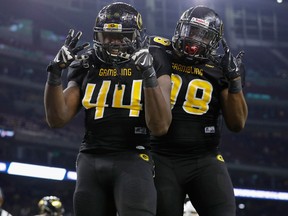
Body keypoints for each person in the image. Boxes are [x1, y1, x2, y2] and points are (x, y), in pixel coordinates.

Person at [44, 2, 172, 216]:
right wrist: (54, 74)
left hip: (133, 156)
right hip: (91, 158)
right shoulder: (86, 63)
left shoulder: (155, 59)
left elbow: (160, 126)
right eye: (107, 36)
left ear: (137, 36)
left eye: (121, 36)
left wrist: (148, 73)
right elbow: (57, 118)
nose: (113, 42)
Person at [149, 5, 248, 216]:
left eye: (203, 35)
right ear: (179, 28)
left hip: (205, 158)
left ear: (213, 42)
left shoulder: (220, 67)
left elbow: (237, 123)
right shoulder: (159, 51)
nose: (194, 39)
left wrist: (235, 81)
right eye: (191, 30)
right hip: (160, 155)